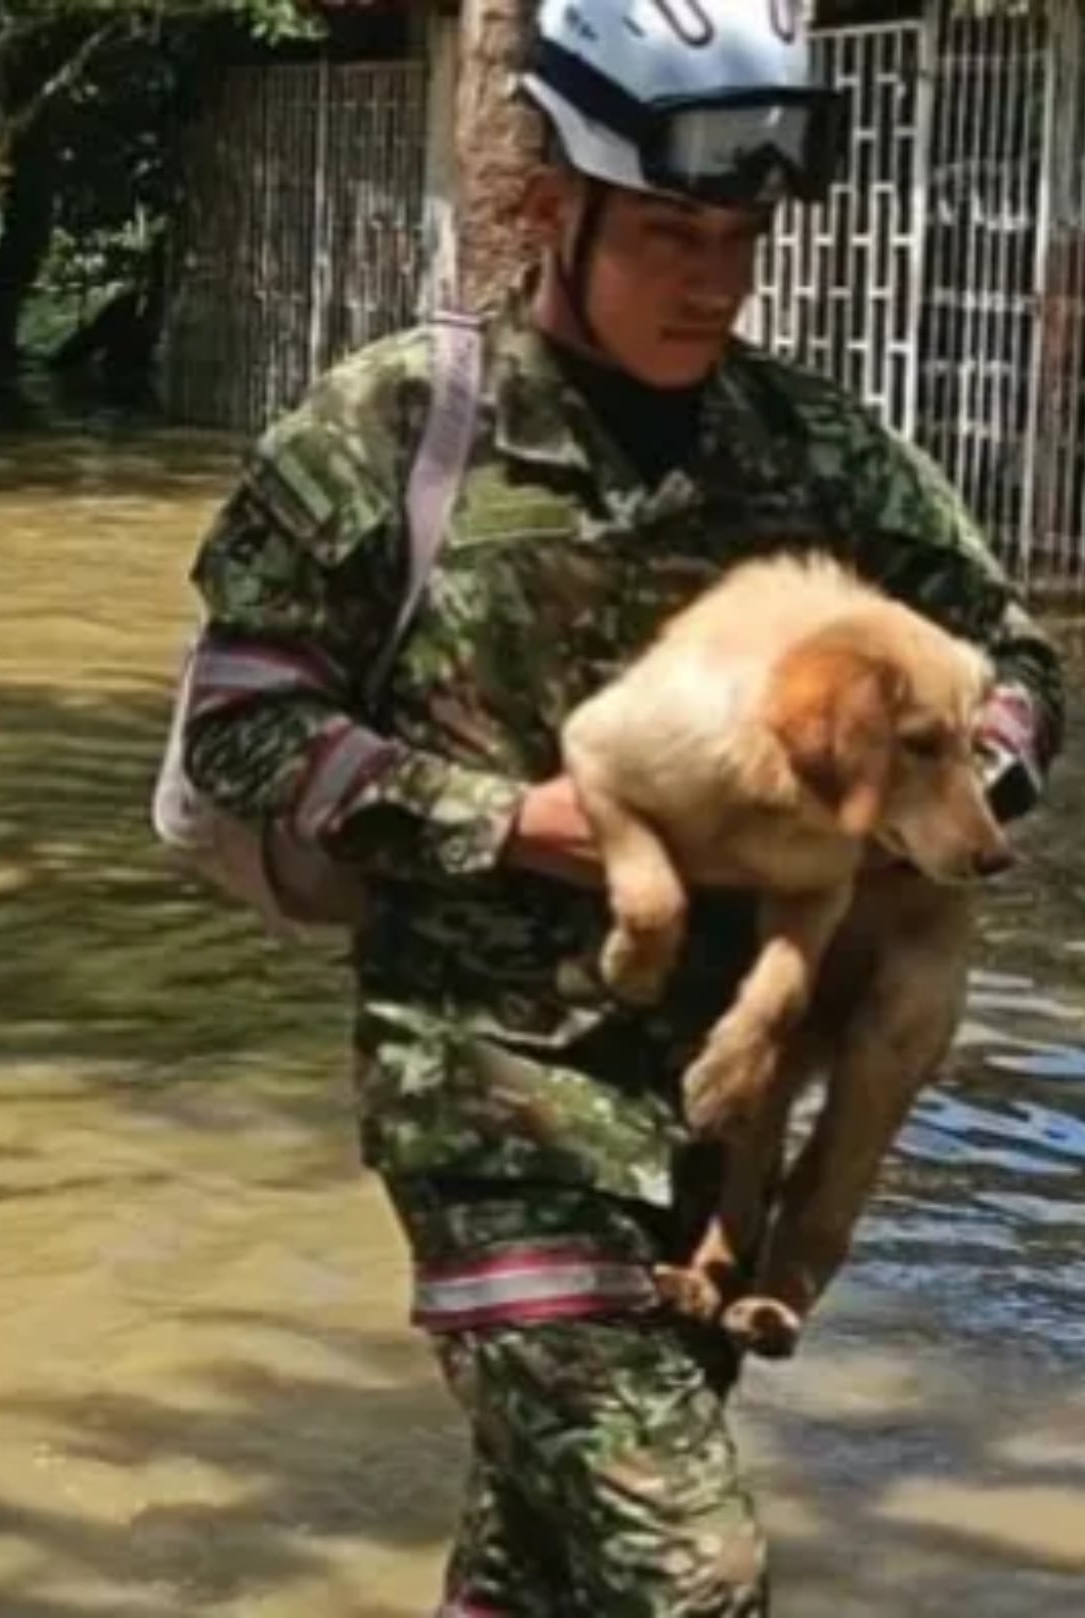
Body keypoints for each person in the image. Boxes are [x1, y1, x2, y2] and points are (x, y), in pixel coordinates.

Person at [176, 3, 1064, 1611]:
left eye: (738, 238)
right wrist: (508, 822)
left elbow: (1011, 660)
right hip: (491, 1097)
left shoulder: (814, 450)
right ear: (545, 211)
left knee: (535, 1566)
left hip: (722, 1113)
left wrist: (943, 784)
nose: (714, 280)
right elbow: (242, 724)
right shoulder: (388, 430)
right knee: (689, 1572)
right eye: (668, 234)